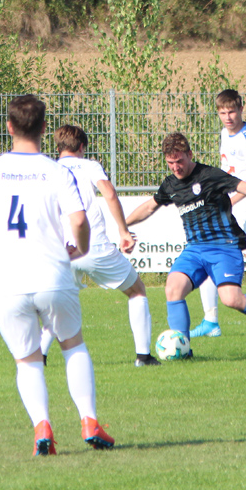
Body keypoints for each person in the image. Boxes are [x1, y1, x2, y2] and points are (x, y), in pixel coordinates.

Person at [0, 95, 114, 456]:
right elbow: (78, 221)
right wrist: (82, 247)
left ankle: (42, 427)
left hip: (7, 281)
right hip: (53, 275)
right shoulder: (55, 170)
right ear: (45, 128)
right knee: (72, 344)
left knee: (28, 360)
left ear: (9, 127)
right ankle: (89, 419)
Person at [125, 132, 246, 356]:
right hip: (194, 249)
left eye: (180, 161)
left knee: (231, 299)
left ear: (190, 155)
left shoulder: (209, 175)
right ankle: (184, 350)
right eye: (171, 163)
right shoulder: (171, 184)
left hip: (224, 246)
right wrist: (122, 225)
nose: (176, 167)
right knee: (173, 288)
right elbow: (149, 206)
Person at [39, 125, 160, 367]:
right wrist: (123, 231)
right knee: (136, 290)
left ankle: (39, 356)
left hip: (62, 249)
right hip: (92, 244)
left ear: (58, 147)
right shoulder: (89, 165)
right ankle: (143, 356)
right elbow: (110, 193)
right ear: (82, 147)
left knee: (59, 301)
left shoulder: (48, 170)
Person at [189, 89, 246, 340]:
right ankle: (210, 322)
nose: (227, 117)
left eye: (232, 111)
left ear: (241, 109)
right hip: (225, 207)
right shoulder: (223, 134)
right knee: (207, 259)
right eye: (222, 112)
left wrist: (229, 199)